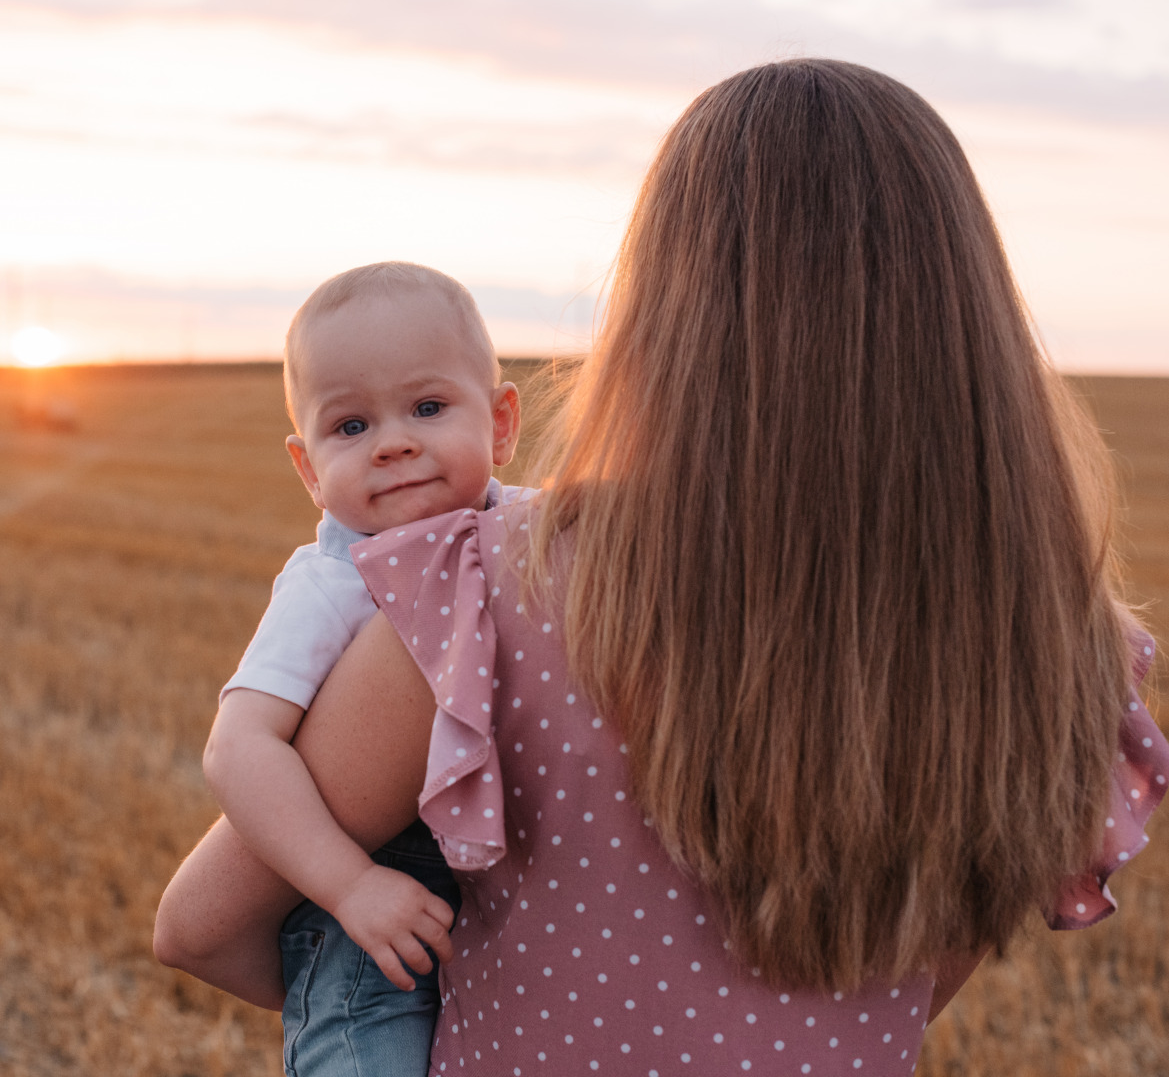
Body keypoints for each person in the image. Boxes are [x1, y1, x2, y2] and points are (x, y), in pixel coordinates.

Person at [155, 59, 1167, 1076]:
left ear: (664, 313)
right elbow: (908, 992)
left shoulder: (497, 591)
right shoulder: (1058, 658)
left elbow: (201, 926)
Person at [199, 261, 524, 1076]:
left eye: (426, 407)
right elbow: (238, 748)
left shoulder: (531, 529)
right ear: (307, 469)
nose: (394, 442)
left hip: (496, 900)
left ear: (502, 418)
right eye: (349, 428)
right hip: (363, 923)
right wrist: (348, 887)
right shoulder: (332, 583)